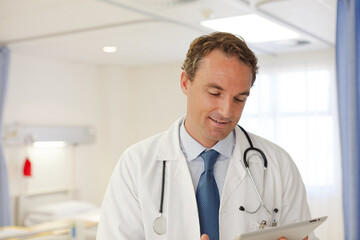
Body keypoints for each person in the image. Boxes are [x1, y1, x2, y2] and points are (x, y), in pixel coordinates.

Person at [96, 32, 316, 240]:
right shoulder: (135, 165)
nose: (227, 111)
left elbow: (304, 235)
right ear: (185, 82)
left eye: (239, 99)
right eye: (214, 93)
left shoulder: (278, 164)